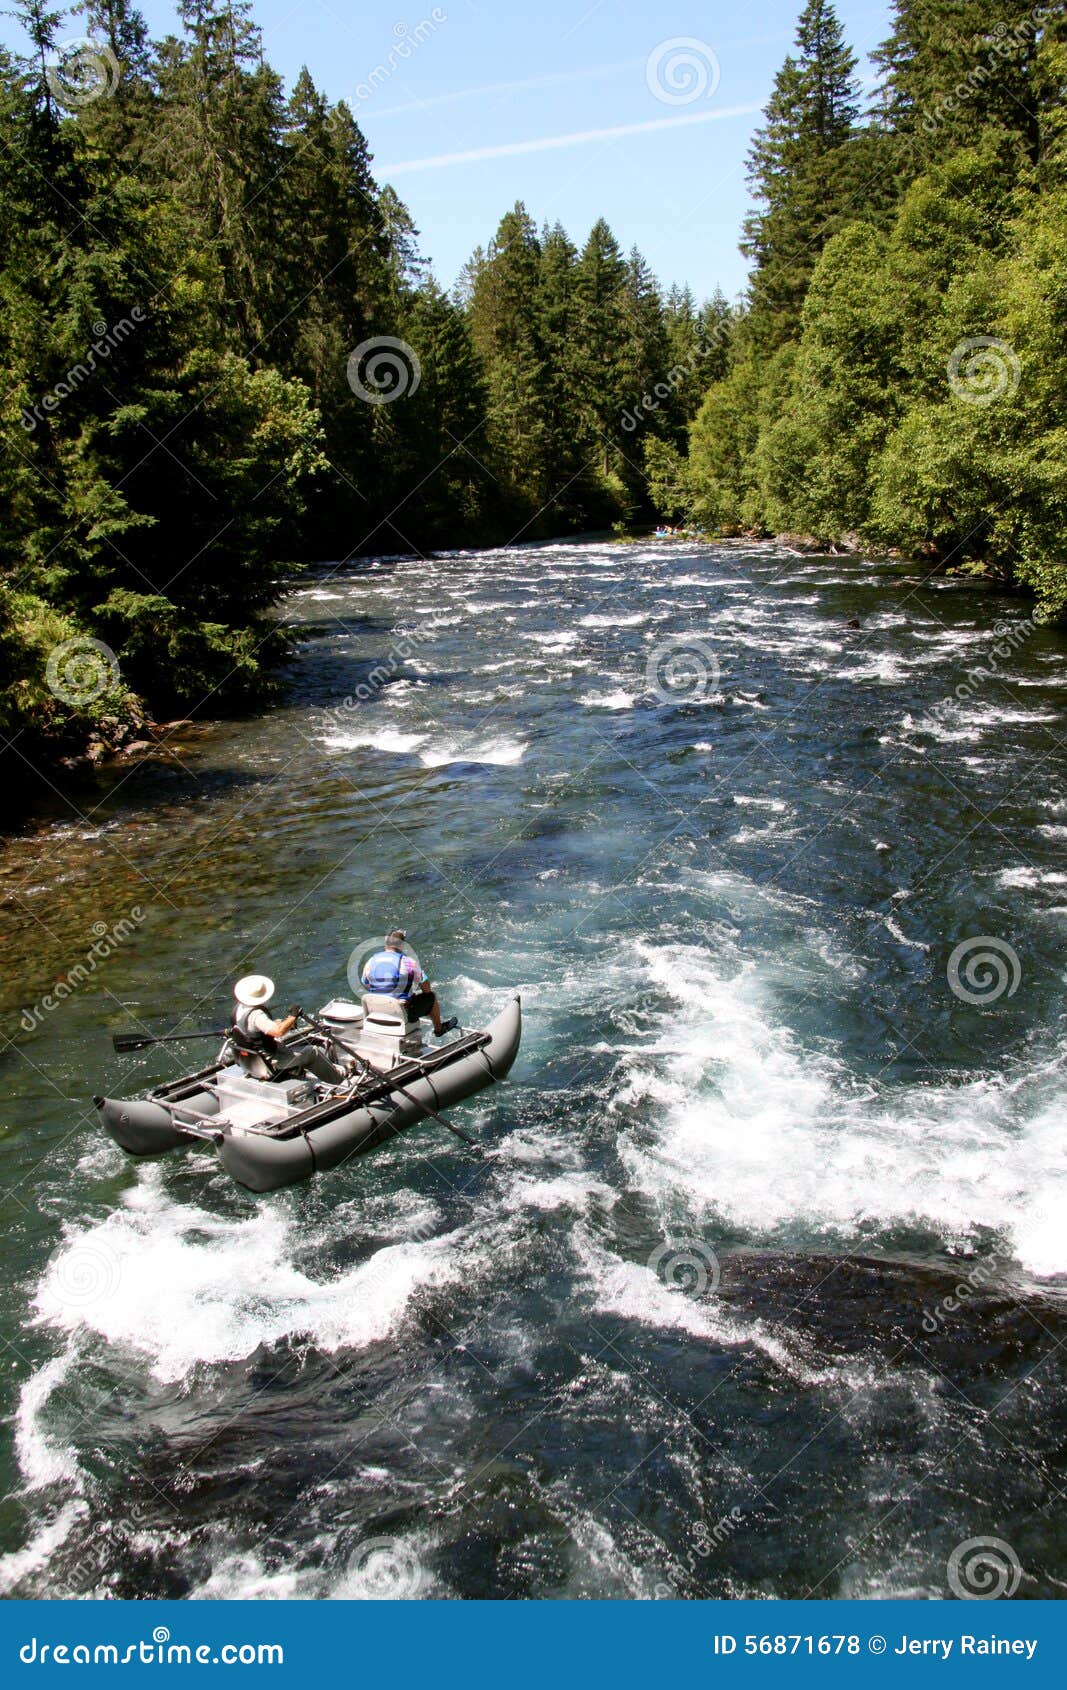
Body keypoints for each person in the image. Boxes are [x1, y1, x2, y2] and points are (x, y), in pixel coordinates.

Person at [231, 975, 342, 1083]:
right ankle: (338, 1080)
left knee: (286, 1044)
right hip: (272, 1062)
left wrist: (285, 1022)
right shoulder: (256, 1015)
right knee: (312, 1051)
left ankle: (300, 1072)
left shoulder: (239, 1009)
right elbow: (278, 1032)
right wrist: (294, 1015)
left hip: (253, 1061)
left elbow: (255, 1029)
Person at [361, 930, 458, 1038]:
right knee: (431, 996)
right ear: (402, 945)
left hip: (376, 1011)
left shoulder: (371, 961)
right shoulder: (408, 962)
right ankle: (439, 1029)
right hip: (400, 1013)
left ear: (386, 944)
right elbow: (426, 988)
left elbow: (366, 984)